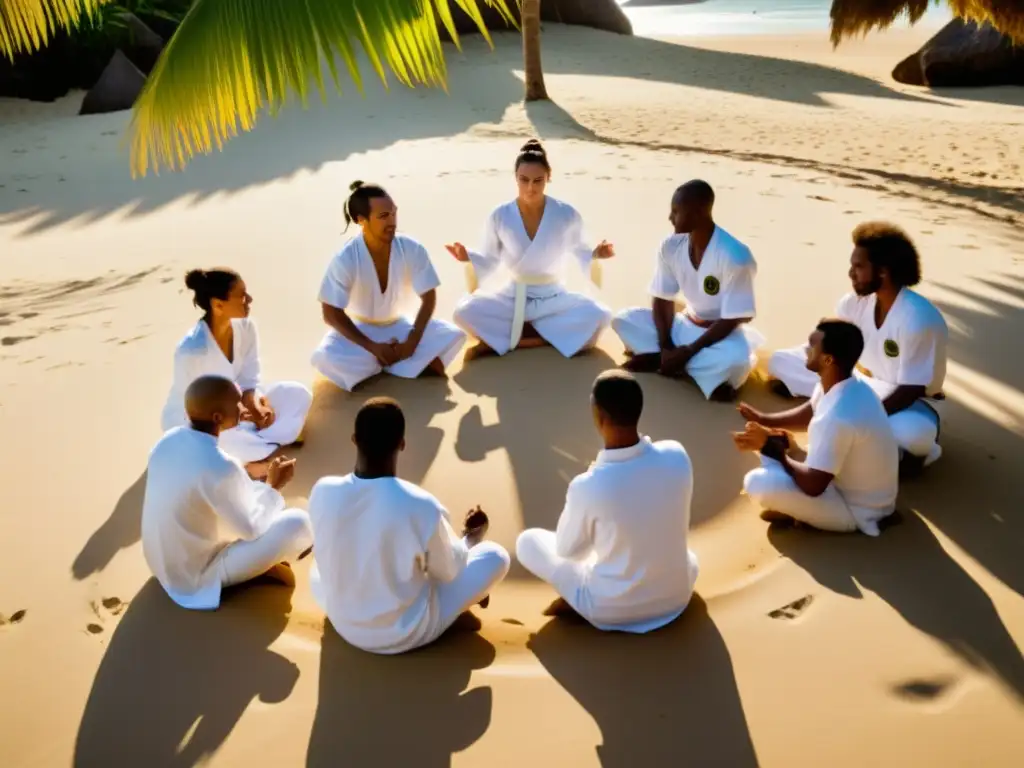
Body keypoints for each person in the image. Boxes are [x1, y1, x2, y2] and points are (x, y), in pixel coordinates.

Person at [308, 397, 510, 654]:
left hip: (342, 622)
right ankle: (454, 603)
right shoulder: (421, 504)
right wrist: (471, 538)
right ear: (402, 444)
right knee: (496, 557)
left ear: (354, 440)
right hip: (404, 633)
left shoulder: (323, 490)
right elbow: (448, 572)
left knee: (319, 564)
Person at [516, 370, 699, 632]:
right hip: (677, 598)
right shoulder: (677, 454)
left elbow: (568, 552)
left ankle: (580, 602)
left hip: (611, 610)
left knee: (528, 542)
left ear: (598, 415)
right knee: (684, 554)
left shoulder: (588, 485)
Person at [766, 222, 948, 469]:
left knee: (915, 435)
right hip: (860, 384)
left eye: (858, 267)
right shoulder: (853, 303)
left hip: (908, 402)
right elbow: (833, 349)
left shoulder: (918, 319)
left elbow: (911, 389)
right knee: (781, 361)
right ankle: (882, 449)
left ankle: (914, 453)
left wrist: (860, 417)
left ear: (883, 272)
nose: (851, 273)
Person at [142, 375, 313, 610]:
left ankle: (254, 564)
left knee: (258, 504)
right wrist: (273, 486)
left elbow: (205, 488)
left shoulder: (167, 441)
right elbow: (251, 530)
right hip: (195, 579)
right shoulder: (222, 465)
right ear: (217, 418)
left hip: (162, 564)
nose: (243, 408)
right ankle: (252, 571)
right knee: (298, 523)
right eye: (237, 404)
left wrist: (260, 487)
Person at [445, 140, 615, 360]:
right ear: (515, 178)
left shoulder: (565, 214)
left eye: (538, 181)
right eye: (523, 180)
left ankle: (515, 340)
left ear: (548, 178)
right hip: (513, 295)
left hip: (552, 297)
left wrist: (596, 254)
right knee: (463, 312)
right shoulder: (501, 215)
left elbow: (581, 250)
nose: (530, 188)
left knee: (599, 315)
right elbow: (489, 258)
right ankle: (546, 337)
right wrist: (467, 257)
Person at [735, 320, 899, 535]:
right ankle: (794, 492)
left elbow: (814, 486)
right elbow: (811, 410)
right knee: (767, 443)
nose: (805, 349)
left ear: (828, 359)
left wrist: (775, 451)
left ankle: (806, 515)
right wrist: (765, 420)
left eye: (812, 346)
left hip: (857, 510)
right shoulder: (846, 384)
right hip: (851, 485)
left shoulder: (839, 415)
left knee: (757, 483)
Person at [612, 180, 764, 402]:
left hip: (719, 335)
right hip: (684, 325)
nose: (670, 217)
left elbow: (735, 318)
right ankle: (668, 360)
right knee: (623, 320)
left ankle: (662, 361)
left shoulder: (735, 256)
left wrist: (688, 352)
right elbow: (662, 298)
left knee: (733, 362)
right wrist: (666, 345)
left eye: (676, 211)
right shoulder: (670, 246)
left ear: (697, 213)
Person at [312, 181, 467, 391]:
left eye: (394, 214)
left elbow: (429, 296)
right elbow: (330, 313)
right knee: (325, 357)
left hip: (400, 327)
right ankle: (397, 362)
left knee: (453, 335)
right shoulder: (345, 258)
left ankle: (387, 362)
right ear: (361, 220)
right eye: (383, 216)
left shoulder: (411, 248)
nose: (392, 221)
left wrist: (413, 339)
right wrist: (372, 347)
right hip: (360, 333)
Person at [160, 268, 313, 476]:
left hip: (236, 404)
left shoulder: (246, 327)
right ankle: (252, 458)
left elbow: (249, 375)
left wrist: (252, 404)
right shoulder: (192, 351)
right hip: (199, 421)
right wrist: (240, 415)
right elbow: (197, 410)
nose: (249, 299)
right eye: (242, 296)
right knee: (223, 443)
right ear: (218, 304)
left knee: (297, 393)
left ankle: (257, 446)